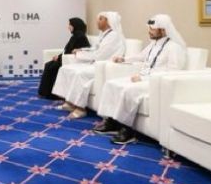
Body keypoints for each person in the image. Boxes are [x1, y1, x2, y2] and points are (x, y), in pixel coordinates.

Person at [95, 14, 187, 144]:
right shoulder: (153, 44)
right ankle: (111, 122)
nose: (149, 31)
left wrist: (144, 79)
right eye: (149, 28)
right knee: (111, 84)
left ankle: (127, 130)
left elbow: (173, 71)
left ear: (163, 30)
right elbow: (141, 56)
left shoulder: (174, 47)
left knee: (128, 91)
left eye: (152, 29)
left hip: (155, 83)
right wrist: (123, 59)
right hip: (142, 77)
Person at [51, 11, 126, 118]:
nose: (97, 21)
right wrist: (81, 50)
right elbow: (95, 48)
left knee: (80, 74)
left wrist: (81, 54)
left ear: (109, 21)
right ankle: (70, 102)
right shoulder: (104, 34)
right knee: (66, 69)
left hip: (105, 67)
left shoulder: (113, 36)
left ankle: (80, 108)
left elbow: (100, 55)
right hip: (96, 63)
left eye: (100, 19)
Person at [38, 17, 90, 98]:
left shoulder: (80, 37)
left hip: (72, 61)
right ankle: (46, 92)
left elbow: (77, 52)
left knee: (51, 66)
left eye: (70, 25)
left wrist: (59, 58)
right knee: (48, 65)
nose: (68, 27)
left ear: (75, 25)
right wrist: (58, 56)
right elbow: (67, 50)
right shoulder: (75, 36)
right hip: (66, 59)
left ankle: (52, 94)